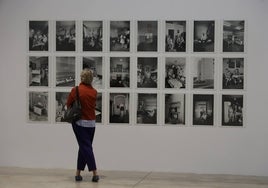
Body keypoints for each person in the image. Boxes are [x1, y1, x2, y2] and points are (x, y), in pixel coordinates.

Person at [66, 69, 99, 183]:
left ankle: (95, 173)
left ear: (81, 78)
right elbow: (92, 105)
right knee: (84, 147)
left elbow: (68, 104)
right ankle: (78, 173)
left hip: (80, 123)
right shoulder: (94, 92)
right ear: (91, 79)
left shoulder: (75, 90)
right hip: (92, 123)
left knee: (86, 147)